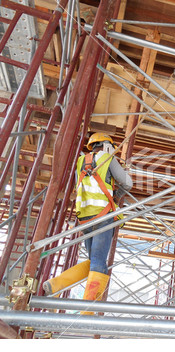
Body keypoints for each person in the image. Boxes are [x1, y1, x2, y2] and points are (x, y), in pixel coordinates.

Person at [43, 133, 132, 313]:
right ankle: (87, 311)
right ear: (107, 145)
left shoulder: (80, 162)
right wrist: (117, 195)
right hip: (103, 217)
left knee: (94, 260)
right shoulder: (108, 158)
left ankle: (56, 285)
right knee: (99, 262)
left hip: (85, 219)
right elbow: (127, 183)